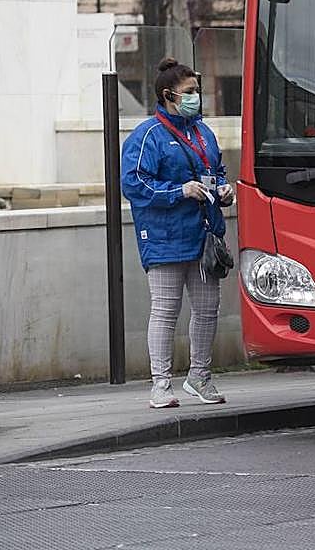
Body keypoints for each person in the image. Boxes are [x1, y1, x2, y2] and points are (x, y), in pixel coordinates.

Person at [121, 57, 235, 409]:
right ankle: (160, 384)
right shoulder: (148, 135)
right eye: (190, 92)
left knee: (207, 309)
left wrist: (223, 190)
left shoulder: (204, 133)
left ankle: (199, 376)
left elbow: (214, 170)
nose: (196, 97)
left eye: (197, 91)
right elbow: (133, 182)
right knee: (166, 310)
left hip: (203, 235)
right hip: (164, 236)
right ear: (169, 95)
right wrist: (178, 192)